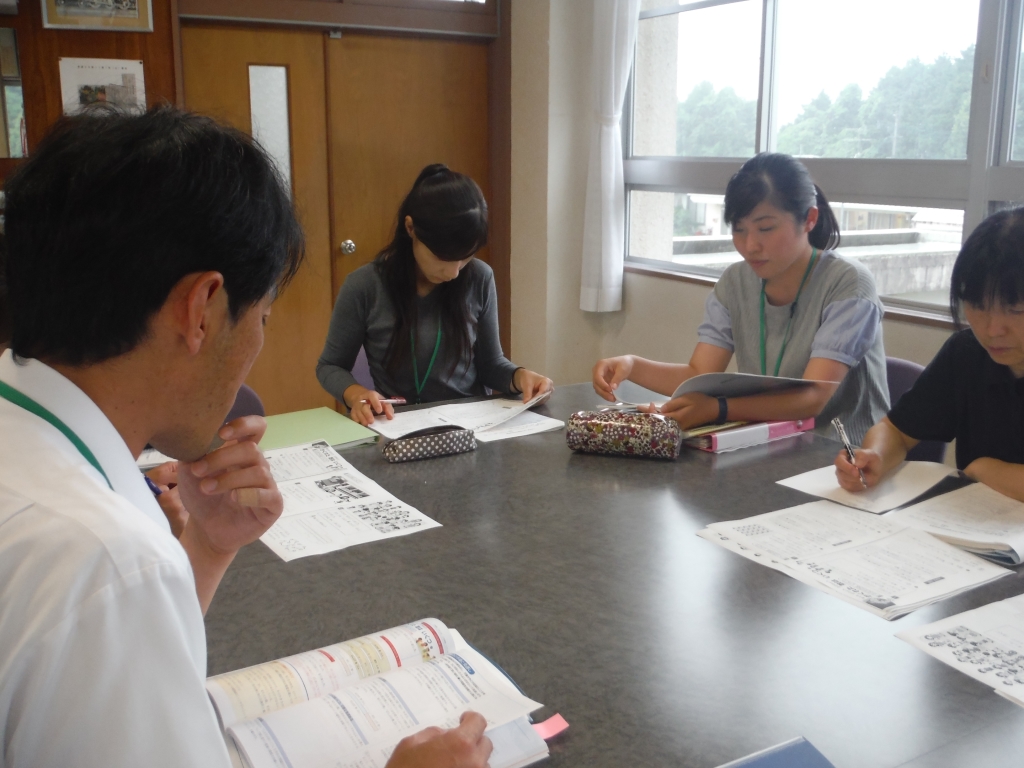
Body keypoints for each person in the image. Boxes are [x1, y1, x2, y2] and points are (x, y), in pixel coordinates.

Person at [0, 106, 492, 768]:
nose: (258, 342)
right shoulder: (108, 562)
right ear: (201, 310)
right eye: (262, 316)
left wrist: (206, 547)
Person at [592, 153, 889, 443]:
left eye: (766, 228)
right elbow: (699, 374)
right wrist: (632, 366)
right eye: (739, 229)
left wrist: (719, 408)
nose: (750, 245)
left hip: (846, 456)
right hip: (769, 445)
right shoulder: (736, 282)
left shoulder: (848, 283)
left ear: (809, 219)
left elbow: (813, 397)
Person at [317, 164, 552, 425]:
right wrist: (356, 394)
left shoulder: (480, 277)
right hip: (399, 425)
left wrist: (520, 377)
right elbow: (330, 366)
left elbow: (491, 364)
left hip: (469, 425)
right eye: (443, 257)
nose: (453, 272)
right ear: (411, 228)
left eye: (465, 258)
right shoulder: (364, 286)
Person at [836, 207, 1024, 502]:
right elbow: (896, 431)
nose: (992, 329)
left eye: (1015, 310)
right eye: (978, 306)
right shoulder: (967, 354)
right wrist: (874, 456)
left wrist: (985, 470)